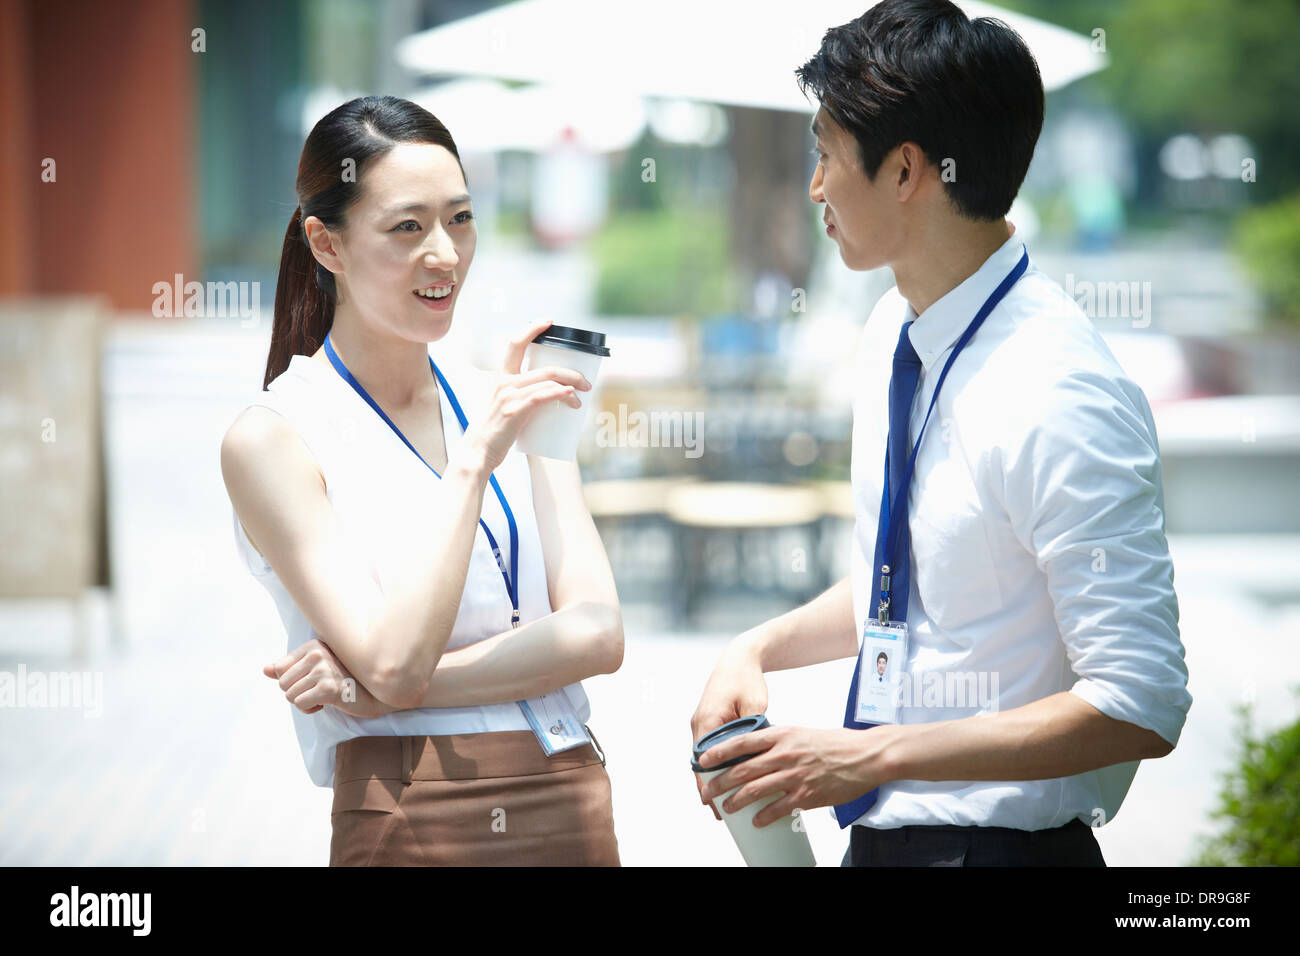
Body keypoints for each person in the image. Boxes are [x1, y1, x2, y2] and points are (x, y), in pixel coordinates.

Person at [691, 0, 1191, 867]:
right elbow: (913, 580)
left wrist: (868, 755)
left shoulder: (1061, 387)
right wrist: (758, 645)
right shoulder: (894, 327)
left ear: (906, 172)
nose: (814, 186)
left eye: (825, 152)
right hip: (884, 843)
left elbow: (1141, 700)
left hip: (1000, 855)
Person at [221, 95, 623, 866]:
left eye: (460, 219)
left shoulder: (503, 394)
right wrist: (474, 462)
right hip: (411, 805)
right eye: (407, 227)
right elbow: (394, 659)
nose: (444, 253)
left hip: (565, 784)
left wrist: (368, 691)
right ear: (325, 243)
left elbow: (600, 634)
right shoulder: (274, 438)